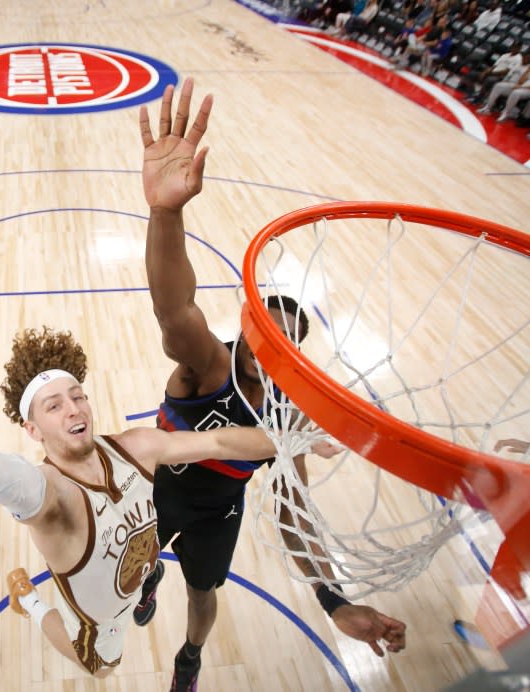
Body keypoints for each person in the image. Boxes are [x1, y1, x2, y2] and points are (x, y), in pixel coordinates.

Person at [0, 326, 342, 676]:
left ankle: (144, 584)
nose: (71, 408)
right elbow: (0, 476)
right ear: (32, 427)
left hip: (135, 563)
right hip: (98, 621)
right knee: (102, 668)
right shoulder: (50, 497)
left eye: (77, 395)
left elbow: (225, 442)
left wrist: (293, 439)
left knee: (146, 558)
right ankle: (32, 603)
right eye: (53, 405)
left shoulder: (136, 446)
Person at [135, 80, 407, 690]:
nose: (273, 348)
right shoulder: (207, 365)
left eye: (288, 342)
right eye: (265, 334)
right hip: (156, 492)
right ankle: (148, 573)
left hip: (217, 511)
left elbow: (294, 512)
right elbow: (174, 310)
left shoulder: (287, 411)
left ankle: (189, 658)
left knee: (203, 598)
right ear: (247, 329)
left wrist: (334, 600)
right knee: (142, 560)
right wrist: (166, 212)